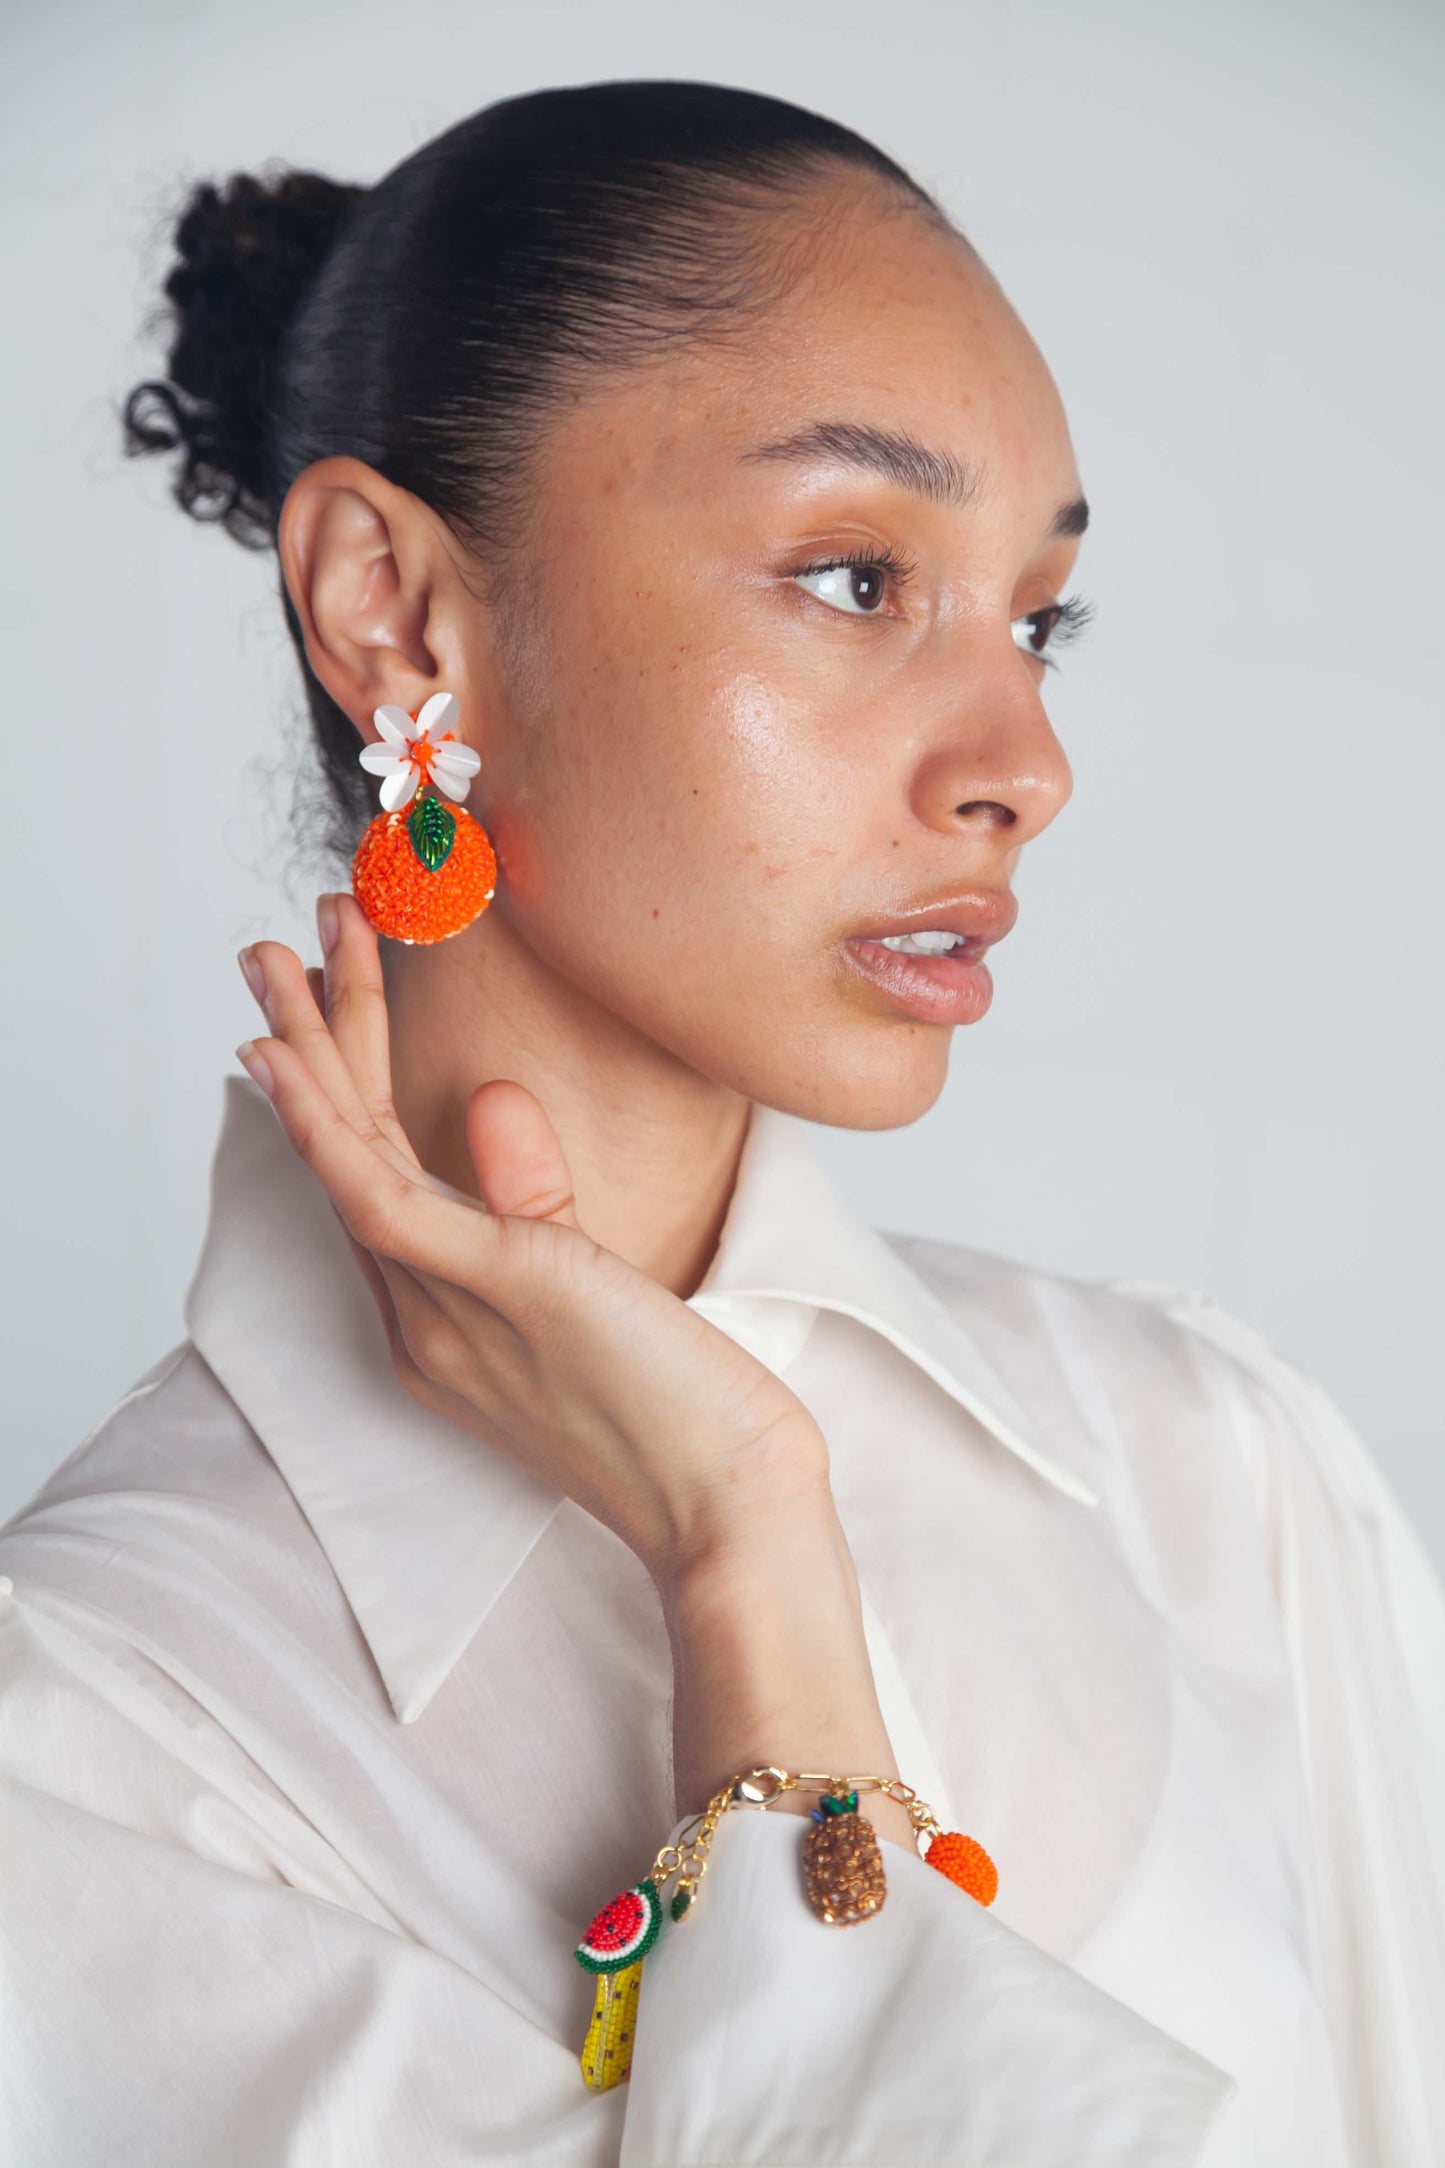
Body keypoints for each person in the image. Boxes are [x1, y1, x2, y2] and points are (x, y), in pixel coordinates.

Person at [1, 78, 1441, 2168]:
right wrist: (740, 1546)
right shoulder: (88, 1756)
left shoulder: (1213, 1476)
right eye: (859, 578)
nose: (1024, 758)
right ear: (395, 614)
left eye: (1038, 617)